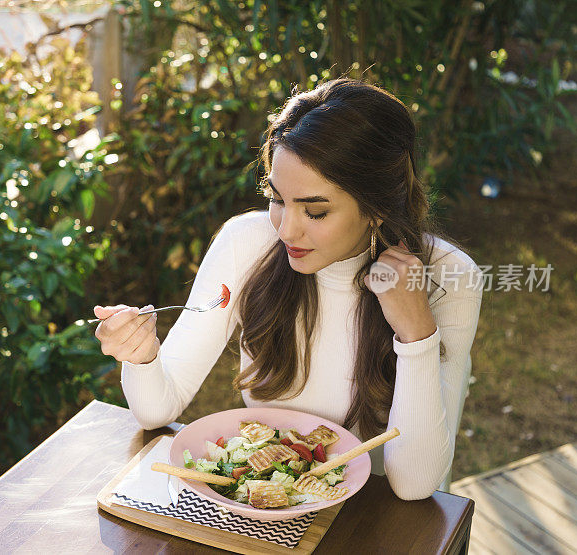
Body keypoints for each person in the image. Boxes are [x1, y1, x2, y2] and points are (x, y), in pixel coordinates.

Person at [93, 78, 483, 501]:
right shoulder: (247, 242)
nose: (287, 230)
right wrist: (142, 356)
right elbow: (156, 409)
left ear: (377, 208)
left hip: (375, 522)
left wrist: (416, 331)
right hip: (259, 511)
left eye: (315, 211)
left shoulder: (447, 276)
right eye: (277, 199)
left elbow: (414, 485)